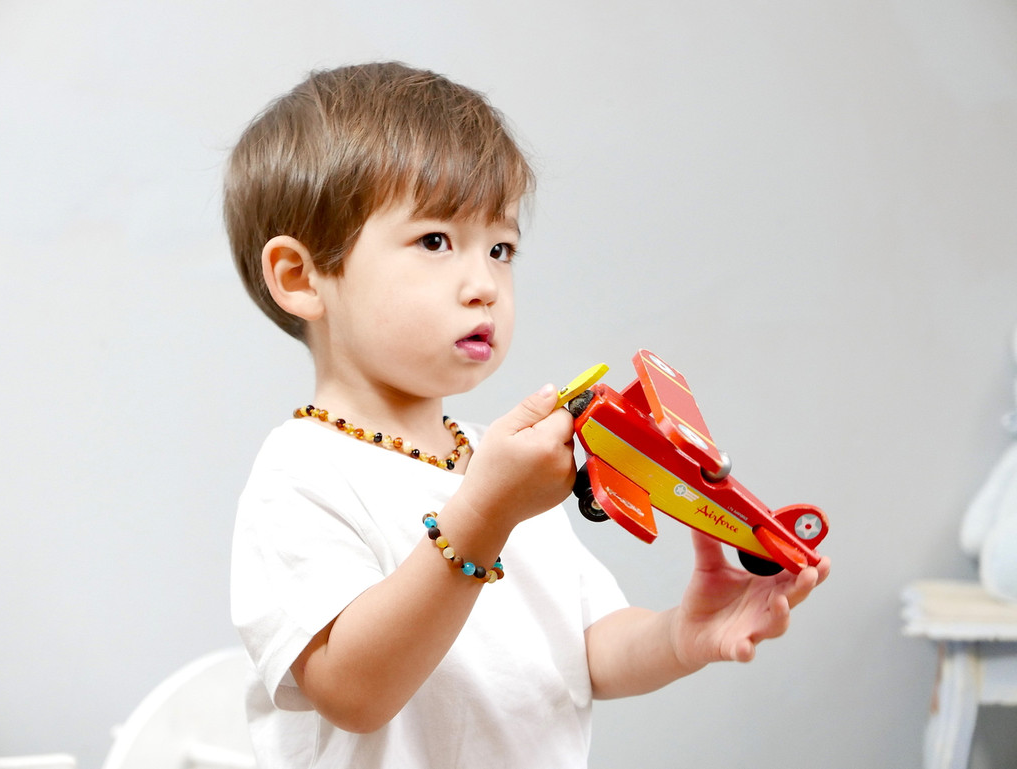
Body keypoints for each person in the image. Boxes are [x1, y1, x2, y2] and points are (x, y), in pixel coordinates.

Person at [225, 61, 830, 769]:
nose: (483, 283)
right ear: (302, 278)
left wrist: (679, 635)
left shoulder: (502, 464)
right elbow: (354, 690)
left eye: (500, 248)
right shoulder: (303, 473)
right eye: (433, 242)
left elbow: (584, 648)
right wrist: (485, 513)